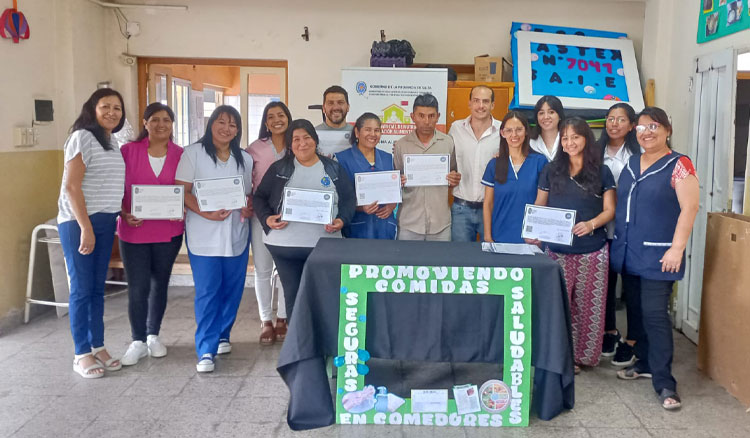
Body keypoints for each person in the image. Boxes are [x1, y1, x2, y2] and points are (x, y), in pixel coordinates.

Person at [610, 107, 699, 410]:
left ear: (667, 130)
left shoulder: (679, 164)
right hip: (630, 252)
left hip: (660, 255)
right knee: (637, 313)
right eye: (642, 127)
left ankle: (664, 383)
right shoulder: (632, 163)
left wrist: (677, 248)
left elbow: (689, 208)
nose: (647, 132)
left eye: (654, 126)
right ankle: (645, 363)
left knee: (655, 317)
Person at [529, 117, 616, 372]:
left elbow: (610, 210)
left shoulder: (602, 171)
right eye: (565, 138)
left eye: (575, 137)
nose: (570, 142)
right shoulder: (551, 170)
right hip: (556, 251)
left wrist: (591, 224)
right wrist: (534, 231)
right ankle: (560, 355)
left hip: (593, 250)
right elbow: (540, 204)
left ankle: (583, 357)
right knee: (558, 306)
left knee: (589, 307)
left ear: (586, 138)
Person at [175, 105, 253, 373]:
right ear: (210, 124)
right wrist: (204, 212)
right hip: (203, 235)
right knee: (208, 292)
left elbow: (247, 195)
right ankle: (205, 349)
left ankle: (222, 335)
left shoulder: (244, 158)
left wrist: (247, 207)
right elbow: (182, 191)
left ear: (238, 130)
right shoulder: (193, 153)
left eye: (232, 124)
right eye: (221, 122)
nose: (226, 128)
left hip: (236, 233)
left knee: (232, 290)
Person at [57, 88, 127, 378]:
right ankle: (81, 352)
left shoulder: (112, 142)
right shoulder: (82, 137)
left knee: (98, 288)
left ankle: (98, 345)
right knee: (82, 289)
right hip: (78, 223)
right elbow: (72, 187)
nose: (112, 112)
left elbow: (107, 185)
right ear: (92, 109)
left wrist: (123, 212)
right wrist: (85, 227)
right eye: (105, 106)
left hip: (105, 220)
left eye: (117, 108)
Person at [254, 119, 355, 319]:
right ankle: (297, 345)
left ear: (315, 140)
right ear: (290, 144)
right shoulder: (278, 169)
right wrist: (267, 219)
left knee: (324, 295)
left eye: (307, 137)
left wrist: (342, 220)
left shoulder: (333, 169)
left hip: (324, 246)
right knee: (293, 296)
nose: (302, 143)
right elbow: (259, 197)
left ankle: (321, 342)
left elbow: (349, 199)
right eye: (296, 139)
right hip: (284, 246)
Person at [118, 103, 184, 366]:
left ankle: (153, 335)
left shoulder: (181, 154)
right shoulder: (127, 152)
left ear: (172, 124)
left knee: (160, 284)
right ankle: (137, 340)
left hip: (168, 231)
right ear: (145, 123)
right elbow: (116, 188)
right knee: (138, 286)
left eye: (166, 120)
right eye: (154, 119)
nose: (161, 125)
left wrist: (180, 210)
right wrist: (123, 213)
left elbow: (187, 189)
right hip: (134, 230)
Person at [597, 103, 642, 364]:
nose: (614, 124)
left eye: (621, 119)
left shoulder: (638, 153)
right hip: (603, 228)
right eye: (610, 119)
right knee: (605, 285)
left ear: (631, 125)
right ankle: (609, 331)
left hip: (630, 230)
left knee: (632, 286)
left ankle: (633, 338)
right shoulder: (595, 151)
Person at [246, 101, 292, 345]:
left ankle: (282, 317)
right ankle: (265, 320)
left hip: (291, 218)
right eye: (271, 116)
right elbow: (245, 182)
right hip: (261, 216)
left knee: (285, 269)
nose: (277, 120)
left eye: (281, 115)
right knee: (262, 270)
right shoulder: (254, 149)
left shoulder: (298, 144)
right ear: (265, 123)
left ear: (288, 118)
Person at [393, 94, 461, 241]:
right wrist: (398, 182)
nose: (426, 121)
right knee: (408, 264)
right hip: (409, 223)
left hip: (440, 223)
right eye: (421, 116)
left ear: (438, 116)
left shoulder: (448, 142)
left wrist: (454, 178)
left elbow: (454, 173)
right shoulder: (401, 145)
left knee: (441, 263)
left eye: (431, 116)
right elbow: (394, 181)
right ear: (412, 116)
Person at [481, 112, 547, 243]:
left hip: (531, 239)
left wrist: (538, 234)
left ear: (526, 131)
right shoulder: (494, 164)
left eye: (519, 130)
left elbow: (543, 203)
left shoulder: (540, 162)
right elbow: (488, 204)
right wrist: (488, 236)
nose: (514, 135)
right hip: (499, 237)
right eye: (509, 130)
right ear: (502, 133)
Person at [449, 85, 502, 242]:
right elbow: (447, 160)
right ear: (469, 103)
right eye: (476, 101)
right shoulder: (455, 128)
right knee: (462, 262)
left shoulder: (503, 131)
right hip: (461, 209)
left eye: (485, 101)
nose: (480, 106)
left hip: (492, 209)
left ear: (492, 105)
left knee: (492, 261)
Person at [335, 113, 398, 239]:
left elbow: (395, 191)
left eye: (377, 130)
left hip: (385, 227)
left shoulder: (388, 158)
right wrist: (360, 207)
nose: (373, 134)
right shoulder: (341, 159)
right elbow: (338, 198)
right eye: (368, 130)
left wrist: (392, 205)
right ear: (357, 133)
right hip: (357, 229)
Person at [315, 85, 352, 156]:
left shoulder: (357, 134)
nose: (335, 107)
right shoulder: (313, 134)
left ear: (348, 107)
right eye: (330, 103)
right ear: (323, 108)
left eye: (340, 102)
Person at [529, 95, 565, 162]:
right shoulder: (530, 143)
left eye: (551, 112)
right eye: (541, 113)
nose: (546, 117)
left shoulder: (568, 141)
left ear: (560, 116)